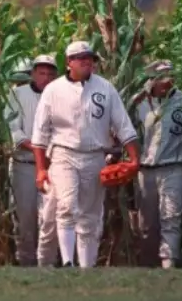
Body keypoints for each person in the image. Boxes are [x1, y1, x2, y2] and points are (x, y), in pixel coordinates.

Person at [31, 41, 140, 268]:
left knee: (90, 216)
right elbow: (40, 134)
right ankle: (69, 261)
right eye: (81, 58)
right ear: (69, 62)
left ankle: (86, 268)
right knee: (67, 206)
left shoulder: (105, 88)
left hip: (95, 156)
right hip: (63, 154)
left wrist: (134, 159)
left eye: (89, 57)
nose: (87, 61)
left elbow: (123, 125)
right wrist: (41, 169)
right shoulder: (53, 90)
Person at [132, 60, 182, 269]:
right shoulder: (138, 103)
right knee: (147, 222)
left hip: (175, 167)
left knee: (171, 216)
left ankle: (168, 263)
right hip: (145, 170)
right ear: (149, 79)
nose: (166, 81)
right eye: (159, 77)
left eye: (169, 76)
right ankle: (148, 263)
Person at [4, 54, 59, 266]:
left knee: (50, 217)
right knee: (25, 218)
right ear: (33, 74)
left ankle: (49, 262)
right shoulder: (17, 94)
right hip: (23, 166)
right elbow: (13, 130)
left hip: (53, 165)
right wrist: (38, 149)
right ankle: (26, 263)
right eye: (41, 73)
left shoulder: (60, 95)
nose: (45, 78)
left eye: (50, 74)